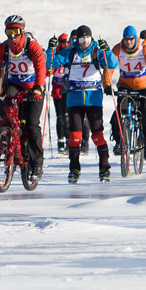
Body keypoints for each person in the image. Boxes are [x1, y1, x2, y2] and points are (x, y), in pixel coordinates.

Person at [0, 15, 48, 181]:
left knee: (32, 125)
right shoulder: (4, 47)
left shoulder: (31, 45)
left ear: (22, 31)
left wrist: (39, 87)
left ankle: (37, 164)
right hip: (14, 84)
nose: (12, 36)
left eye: (15, 31)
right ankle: (7, 139)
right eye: (8, 31)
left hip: (33, 87)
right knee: (6, 109)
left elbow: (40, 66)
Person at [54, 24, 116, 182]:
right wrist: (50, 49)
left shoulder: (96, 51)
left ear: (91, 38)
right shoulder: (70, 52)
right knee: (75, 136)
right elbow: (50, 64)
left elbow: (113, 64)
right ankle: (74, 169)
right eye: (82, 39)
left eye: (87, 38)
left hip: (93, 98)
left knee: (97, 134)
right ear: (77, 39)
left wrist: (107, 50)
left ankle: (104, 167)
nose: (84, 42)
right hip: (74, 98)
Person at [112, 25, 146, 156]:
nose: (128, 42)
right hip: (125, 85)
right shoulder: (118, 49)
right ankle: (119, 142)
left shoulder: (145, 48)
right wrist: (107, 84)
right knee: (119, 111)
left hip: (144, 86)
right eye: (126, 39)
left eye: (131, 39)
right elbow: (109, 68)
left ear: (136, 38)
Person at [47, 34, 70, 151]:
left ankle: (68, 140)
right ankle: (60, 141)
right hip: (57, 90)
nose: (63, 45)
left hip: (68, 90)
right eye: (61, 42)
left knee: (67, 117)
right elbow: (48, 69)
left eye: (65, 42)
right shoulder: (57, 54)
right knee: (59, 116)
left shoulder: (69, 53)